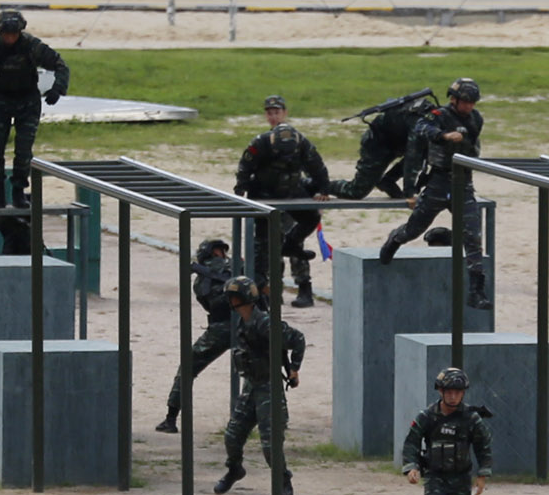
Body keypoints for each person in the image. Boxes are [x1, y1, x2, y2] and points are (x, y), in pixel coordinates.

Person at [0, 9, 69, 252]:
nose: (9, 38)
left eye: (13, 34)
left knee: (23, 150)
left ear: (20, 32)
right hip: (2, 102)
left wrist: (57, 89)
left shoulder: (32, 46)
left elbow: (60, 65)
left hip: (28, 102)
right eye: (6, 34)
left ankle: (18, 190)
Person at [375, 76, 487, 309]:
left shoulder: (476, 119)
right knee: (414, 229)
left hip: (463, 182)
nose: (469, 107)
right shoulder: (440, 116)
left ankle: (476, 290)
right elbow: (421, 129)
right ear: (454, 100)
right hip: (438, 181)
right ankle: (394, 240)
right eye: (465, 102)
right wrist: (443, 136)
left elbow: (473, 147)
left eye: (472, 102)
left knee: (473, 236)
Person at [235, 94, 333, 307]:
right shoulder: (262, 142)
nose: (273, 116)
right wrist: (241, 189)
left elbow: (316, 166)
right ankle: (270, 292)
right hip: (266, 198)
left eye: (277, 112)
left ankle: (304, 288)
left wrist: (323, 188)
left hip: (291, 195)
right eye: (269, 113)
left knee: (293, 242)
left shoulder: (298, 141)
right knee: (266, 247)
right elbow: (245, 166)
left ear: (285, 113)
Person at [399, 365, 493, 495]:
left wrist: (482, 475)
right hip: (435, 477)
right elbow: (411, 443)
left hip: (460, 477)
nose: (452, 397)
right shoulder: (427, 417)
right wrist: (411, 467)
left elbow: (483, 446)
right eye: (448, 392)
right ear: (440, 392)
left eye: (457, 392)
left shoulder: (471, 419)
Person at [214, 285, 304, 495]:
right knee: (232, 436)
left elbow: (298, 339)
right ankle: (234, 469)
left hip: (269, 388)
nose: (231, 303)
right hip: (252, 386)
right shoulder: (240, 321)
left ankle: (283, 480)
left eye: (234, 298)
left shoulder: (264, 323)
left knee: (270, 442)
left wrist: (294, 368)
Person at [156, 236, 240, 435]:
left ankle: (171, 418)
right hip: (249, 323)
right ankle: (281, 417)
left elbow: (207, 302)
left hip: (220, 327)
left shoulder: (203, 278)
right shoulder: (240, 265)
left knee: (187, 367)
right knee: (266, 368)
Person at [338, 87, 436, 199]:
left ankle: (388, 181)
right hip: (378, 143)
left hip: (398, 141)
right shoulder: (420, 125)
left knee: (426, 152)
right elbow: (412, 159)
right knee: (356, 192)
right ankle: (324, 185)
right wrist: (409, 194)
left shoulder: (445, 120)